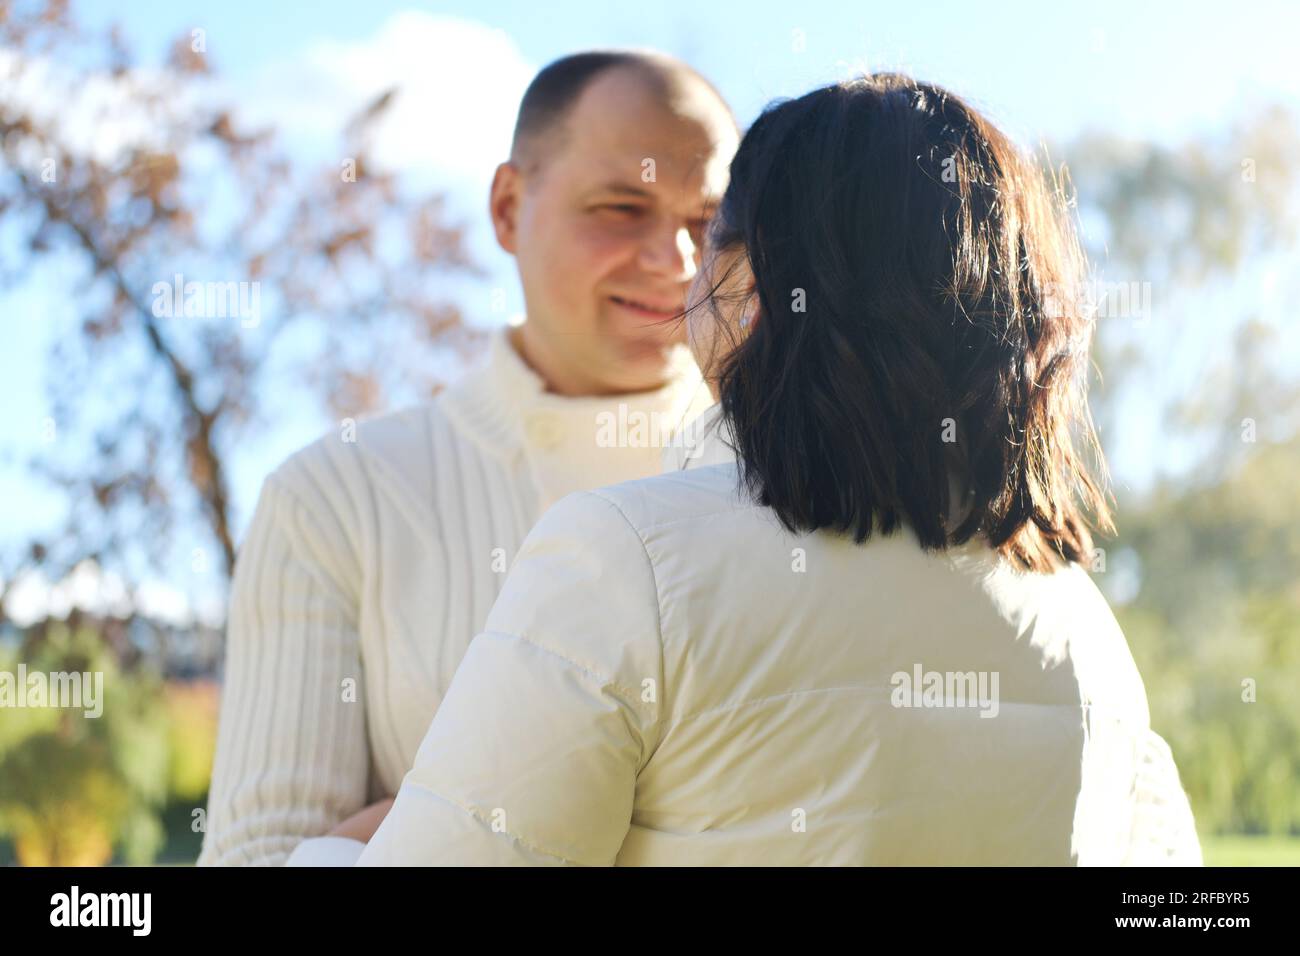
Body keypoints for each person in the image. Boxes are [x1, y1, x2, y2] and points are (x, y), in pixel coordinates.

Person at [295, 72, 1201, 866]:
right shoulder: (1086, 627)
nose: (679, 267)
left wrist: (344, 844)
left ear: (754, 285)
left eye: (710, 233)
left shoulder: (624, 559)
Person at [197, 50, 737, 866]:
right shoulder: (335, 497)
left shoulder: (793, 484)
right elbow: (257, 860)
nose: (677, 262)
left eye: (709, 222)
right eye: (623, 207)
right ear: (510, 207)